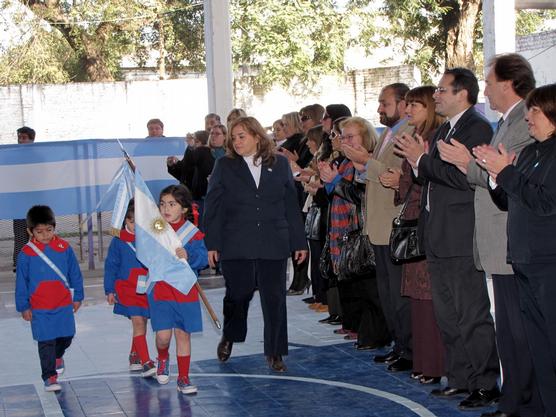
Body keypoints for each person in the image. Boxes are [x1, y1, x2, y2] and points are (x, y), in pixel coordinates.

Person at [438, 54, 542, 417]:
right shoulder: (507, 121)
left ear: (508, 83)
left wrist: (466, 162)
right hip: (498, 239)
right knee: (510, 329)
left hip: (512, 238)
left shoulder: (523, 122)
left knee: (518, 330)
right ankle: (514, 398)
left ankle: (521, 401)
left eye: (489, 81)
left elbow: (507, 175)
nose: (484, 89)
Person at [395, 68, 500, 409]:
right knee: (448, 315)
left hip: (460, 235)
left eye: (442, 90)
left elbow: (463, 179)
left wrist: (421, 160)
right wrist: (417, 163)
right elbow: (433, 177)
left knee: (471, 314)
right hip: (437, 233)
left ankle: (485, 382)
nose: (436, 95)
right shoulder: (445, 129)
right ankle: (459, 378)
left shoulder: (477, 128)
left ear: (462, 94)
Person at [474, 83, 556, 417]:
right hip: (524, 260)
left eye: (534, 111)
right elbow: (511, 198)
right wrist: (498, 176)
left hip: (548, 263)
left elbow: (545, 203)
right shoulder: (534, 151)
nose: (528, 117)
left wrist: (505, 171)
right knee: (539, 347)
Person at [203, 116, 308, 372]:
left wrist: (299, 241)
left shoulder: (280, 164)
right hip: (236, 242)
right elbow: (213, 206)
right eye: (234, 137)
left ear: (257, 137)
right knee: (238, 295)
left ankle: (275, 352)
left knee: (274, 298)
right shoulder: (224, 166)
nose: (237, 141)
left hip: (274, 241)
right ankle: (230, 335)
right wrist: (212, 243)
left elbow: (290, 205)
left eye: (242, 136)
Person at [378, 86, 446, 384]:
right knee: (413, 296)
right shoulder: (417, 137)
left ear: (429, 108)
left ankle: (432, 363)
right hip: (412, 220)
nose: (408, 112)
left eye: (414, 106)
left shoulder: (434, 138)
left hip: (427, 223)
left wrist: (403, 178)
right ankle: (420, 358)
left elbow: (432, 177)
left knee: (427, 297)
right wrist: (401, 180)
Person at [345, 83, 414, 372]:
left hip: (393, 223)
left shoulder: (408, 133)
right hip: (379, 225)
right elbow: (376, 175)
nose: (379, 109)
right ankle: (399, 346)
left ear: (402, 104)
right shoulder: (389, 133)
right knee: (387, 292)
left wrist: (364, 161)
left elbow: (392, 175)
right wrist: (364, 166)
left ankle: (408, 350)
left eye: (384, 103)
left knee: (398, 294)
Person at [319, 116, 390, 350]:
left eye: (350, 136)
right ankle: (363, 331)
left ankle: (375, 335)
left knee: (370, 289)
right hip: (344, 231)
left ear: (365, 138)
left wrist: (336, 181)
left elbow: (361, 196)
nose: (344, 140)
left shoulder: (369, 161)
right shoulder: (345, 163)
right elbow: (340, 194)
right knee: (357, 287)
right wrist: (331, 181)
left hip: (362, 232)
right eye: (343, 136)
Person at [15, 205, 84, 392]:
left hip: (63, 305)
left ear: (54, 227)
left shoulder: (64, 248)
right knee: (46, 342)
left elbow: (74, 273)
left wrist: (78, 296)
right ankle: (50, 377)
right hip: (39, 308)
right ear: (30, 231)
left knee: (67, 337)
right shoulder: (26, 254)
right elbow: (21, 282)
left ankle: (57, 356)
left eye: (49, 230)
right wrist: (23, 306)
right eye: (39, 231)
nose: (45, 235)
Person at [147, 185, 208, 394]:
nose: (166, 208)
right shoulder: (155, 226)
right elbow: (144, 247)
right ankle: (162, 358)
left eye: (172, 204)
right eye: (162, 204)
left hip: (185, 291)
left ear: (184, 208)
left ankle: (183, 377)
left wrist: (189, 256)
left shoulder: (193, 233)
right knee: (163, 336)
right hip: (161, 289)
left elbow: (202, 259)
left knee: (183, 335)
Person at [104, 199, 155, 377]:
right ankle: (147, 362)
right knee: (138, 322)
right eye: (132, 221)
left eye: (139, 221)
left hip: (145, 288)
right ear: (125, 220)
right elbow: (111, 266)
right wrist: (109, 290)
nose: (135, 225)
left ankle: (135, 356)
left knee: (143, 322)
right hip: (126, 288)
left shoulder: (150, 238)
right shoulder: (118, 241)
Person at [13, 126, 36, 272]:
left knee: (38, 232)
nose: (21, 140)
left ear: (32, 140)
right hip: (18, 204)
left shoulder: (38, 157)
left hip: (34, 203)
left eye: (24, 138)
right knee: (20, 236)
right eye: (19, 137)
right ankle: (19, 263)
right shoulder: (12, 157)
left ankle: (37, 260)